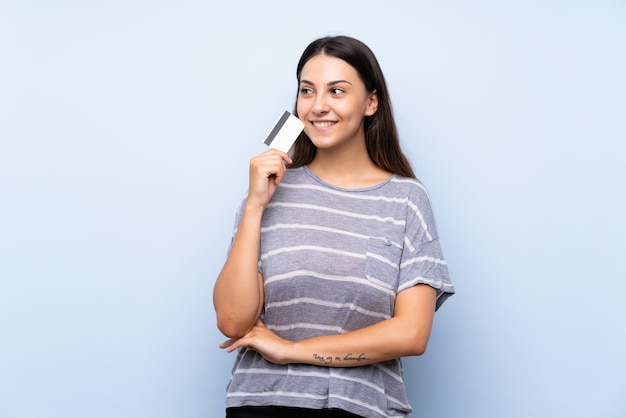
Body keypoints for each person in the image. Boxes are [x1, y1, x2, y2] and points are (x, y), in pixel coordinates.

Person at [213, 35, 455, 418]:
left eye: (337, 91)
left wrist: (291, 350)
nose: (319, 106)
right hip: (264, 402)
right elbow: (232, 320)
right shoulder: (266, 195)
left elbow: (412, 333)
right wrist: (255, 206)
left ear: (370, 102)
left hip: (362, 408)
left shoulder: (406, 200)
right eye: (307, 91)